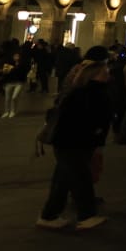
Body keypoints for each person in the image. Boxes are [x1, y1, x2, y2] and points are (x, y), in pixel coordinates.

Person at [35, 47, 114, 231]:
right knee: (81, 179)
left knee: (63, 180)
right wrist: (96, 137)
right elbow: (90, 119)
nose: (108, 73)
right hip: (74, 143)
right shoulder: (89, 93)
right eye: (104, 71)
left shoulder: (84, 91)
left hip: (69, 141)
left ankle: (49, 215)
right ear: (94, 75)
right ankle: (86, 216)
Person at [2, 48, 30, 117]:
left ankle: (13, 111)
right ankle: (6, 111)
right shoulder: (8, 63)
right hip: (9, 82)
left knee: (14, 97)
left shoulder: (23, 64)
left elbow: (24, 73)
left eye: (18, 56)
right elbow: (5, 72)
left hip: (19, 83)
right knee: (7, 98)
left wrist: (15, 68)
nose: (16, 57)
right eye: (15, 56)